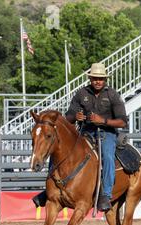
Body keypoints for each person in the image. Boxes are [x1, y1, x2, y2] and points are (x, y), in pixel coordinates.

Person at [32, 62, 128, 212]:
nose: (98, 81)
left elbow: (123, 121)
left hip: (107, 134)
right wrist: (75, 116)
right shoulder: (81, 94)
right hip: (85, 134)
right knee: (57, 151)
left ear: (105, 80)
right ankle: (48, 191)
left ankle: (106, 194)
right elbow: (68, 118)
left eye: (100, 79)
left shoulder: (112, 95)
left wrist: (102, 121)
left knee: (108, 157)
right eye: (95, 78)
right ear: (90, 78)